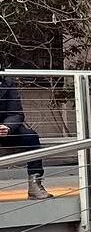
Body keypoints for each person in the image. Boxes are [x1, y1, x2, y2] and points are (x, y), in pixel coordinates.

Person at [0, 72, 50, 200]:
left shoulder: (7, 83)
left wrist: (8, 127)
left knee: (30, 136)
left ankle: (35, 184)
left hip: (5, 130)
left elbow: (16, 113)